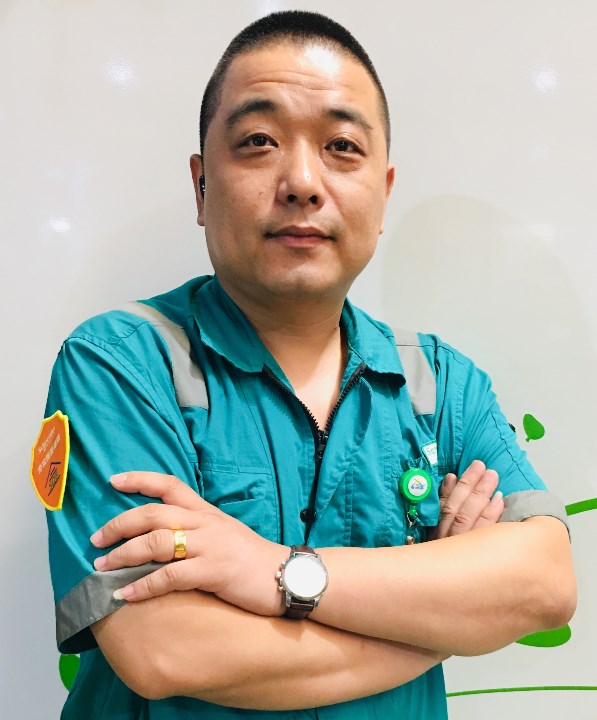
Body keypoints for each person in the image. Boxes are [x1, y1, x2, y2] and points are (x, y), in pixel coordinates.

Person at [42, 10, 575, 720]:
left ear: (383, 192)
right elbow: (165, 650)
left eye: (341, 147)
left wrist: (271, 569)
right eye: (258, 142)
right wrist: (442, 624)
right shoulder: (120, 364)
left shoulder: (441, 384)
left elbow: (545, 582)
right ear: (201, 186)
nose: (300, 181)